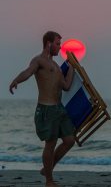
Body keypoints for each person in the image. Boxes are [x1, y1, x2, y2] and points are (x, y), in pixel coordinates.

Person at [9, 31, 75, 187]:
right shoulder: (39, 61)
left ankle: (47, 168)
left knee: (69, 140)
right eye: (58, 44)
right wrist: (16, 80)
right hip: (46, 109)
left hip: (59, 109)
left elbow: (66, 86)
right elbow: (28, 72)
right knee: (50, 144)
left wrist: (72, 68)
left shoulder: (57, 67)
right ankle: (49, 181)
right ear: (48, 44)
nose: (60, 47)